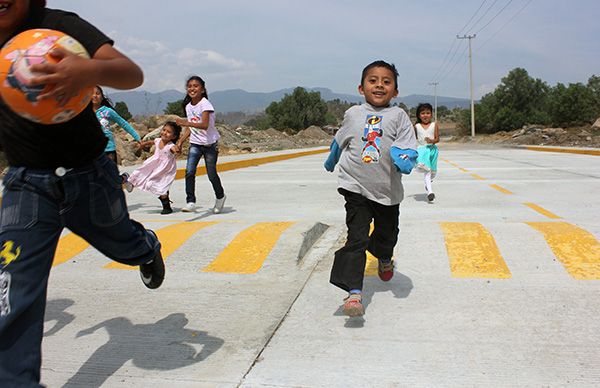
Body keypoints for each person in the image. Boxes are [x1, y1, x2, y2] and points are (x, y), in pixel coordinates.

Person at [0, 2, 165, 386]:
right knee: (12, 289)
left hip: (88, 175)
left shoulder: (57, 26)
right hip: (26, 183)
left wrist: (86, 70)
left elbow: (130, 73)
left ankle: (146, 247)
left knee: (120, 239)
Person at [324, 60, 418, 317]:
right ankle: (354, 292)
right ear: (361, 87)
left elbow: (408, 146)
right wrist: (332, 160)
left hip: (387, 190)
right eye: (373, 80)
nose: (379, 85)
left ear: (395, 91)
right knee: (356, 238)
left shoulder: (399, 116)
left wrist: (405, 159)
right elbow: (340, 139)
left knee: (387, 235)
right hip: (355, 186)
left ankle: (384, 256)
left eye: (386, 82)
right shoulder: (353, 113)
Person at [175, 76, 226, 214]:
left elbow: (204, 125)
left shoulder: (205, 104)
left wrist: (186, 122)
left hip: (210, 145)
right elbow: (190, 128)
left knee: (211, 175)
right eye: (189, 86)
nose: (192, 88)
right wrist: (180, 141)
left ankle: (220, 197)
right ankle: (190, 201)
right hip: (195, 144)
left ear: (202, 89)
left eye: (196, 86)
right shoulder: (188, 106)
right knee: (189, 171)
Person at [122, 121, 182, 215]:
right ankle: (130, 182)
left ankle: (167, 207)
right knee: (140, 172)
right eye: (164, 130)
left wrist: (177, 150)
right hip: (153, 164)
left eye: (168, 132)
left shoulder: (170, 146)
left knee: (159, 187)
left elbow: (175, 149)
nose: (164, 132)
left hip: (164, 170)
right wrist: (144, 143)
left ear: (173, 137)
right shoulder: (158, 140)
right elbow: (152, 142)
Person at [92, 85, 142, 164]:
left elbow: (123, 123)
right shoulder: (84, 112)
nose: (94, 95)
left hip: (108, 149)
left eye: (97, 93)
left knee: (111, 174)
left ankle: (122, 177)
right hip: (92, 151)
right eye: (91, 93)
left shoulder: (108, 111)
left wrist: (137, 137)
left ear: (102, 97)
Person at [414, 103, 440, 202]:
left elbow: (437, 139)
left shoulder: (434, 125)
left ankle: (427, 184)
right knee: (427, 170)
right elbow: (413, 138)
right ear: (419, 115)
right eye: (423, 113)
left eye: (428, 113)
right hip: (421, 150)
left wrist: (432, 141)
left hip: (432, 150)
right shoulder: (416, 126)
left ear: (431, 114)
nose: (425, 115)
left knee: (433, 172)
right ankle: (430, 192)